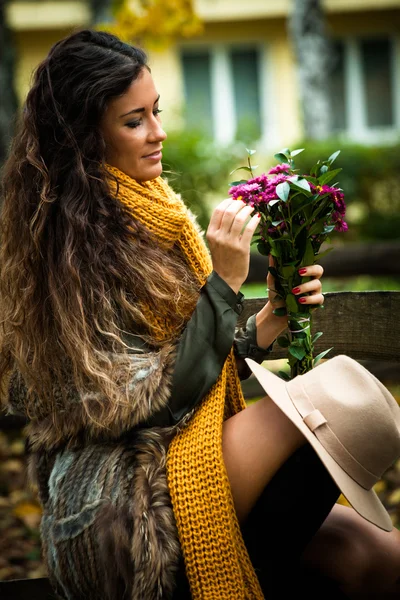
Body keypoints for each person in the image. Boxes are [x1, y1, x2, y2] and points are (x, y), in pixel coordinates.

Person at [0, 28, 399, 600]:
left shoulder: (152, 214)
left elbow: (191, 364)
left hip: (179, 446)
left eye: (155, 112)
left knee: (377, 557)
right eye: (133, 120)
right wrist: (224, 283)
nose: (158, 132)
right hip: (117, 502)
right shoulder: (71, 249)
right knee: (331, 403)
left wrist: (272, 319)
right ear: (85, 136)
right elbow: (145, 401)